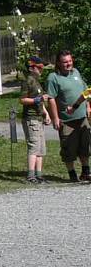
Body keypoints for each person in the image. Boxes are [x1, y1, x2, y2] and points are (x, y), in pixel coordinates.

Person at [46, 50, 91, 182]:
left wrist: (88, 106)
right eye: (65, 62)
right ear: (58, 63)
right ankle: (72, 174)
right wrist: (55, 117)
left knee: (85, 145)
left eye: (70, 61)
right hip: (66, 120)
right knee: (68, 148)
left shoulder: (76, 72)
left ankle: (86, 172)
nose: (68, 64)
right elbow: (51, 98)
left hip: (82, 117)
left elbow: (85, 91)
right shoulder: (53, 77)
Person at [19, 55, 51, 184]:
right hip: (31, 119)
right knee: (34, 147)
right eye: (40, 68)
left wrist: (46, 114)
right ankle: (31, 175)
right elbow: (22, 100)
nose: (42, 70)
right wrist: (37, 99)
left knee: (41, 148)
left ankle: (39, 174)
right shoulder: (28, 81)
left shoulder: (37, 82)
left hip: (39, 118)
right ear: (32, 68)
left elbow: (41, 102)